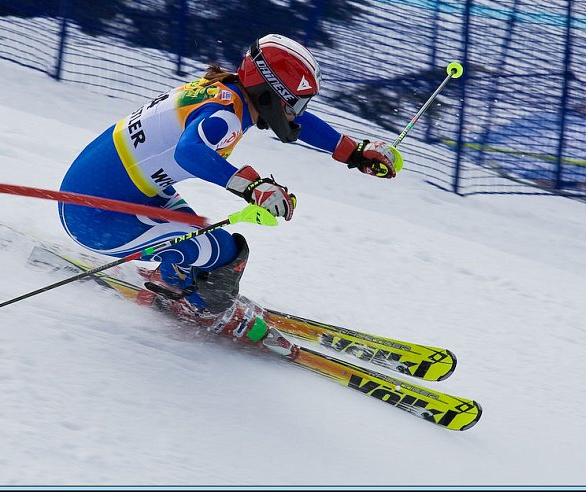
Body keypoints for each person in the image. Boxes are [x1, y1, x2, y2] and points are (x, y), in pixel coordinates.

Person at [59, 34, 400, 348]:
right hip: (95, 216)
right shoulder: (225, 117)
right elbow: (188, 152)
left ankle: (175, 279)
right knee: (224, 254)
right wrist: (253, 187)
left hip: (121, 198)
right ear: (269, 93)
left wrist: (353, 152)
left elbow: (297, 124)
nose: (298, 113)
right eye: (295, 103)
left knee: (211, 250)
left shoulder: (230, 95)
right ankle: (202, 307)